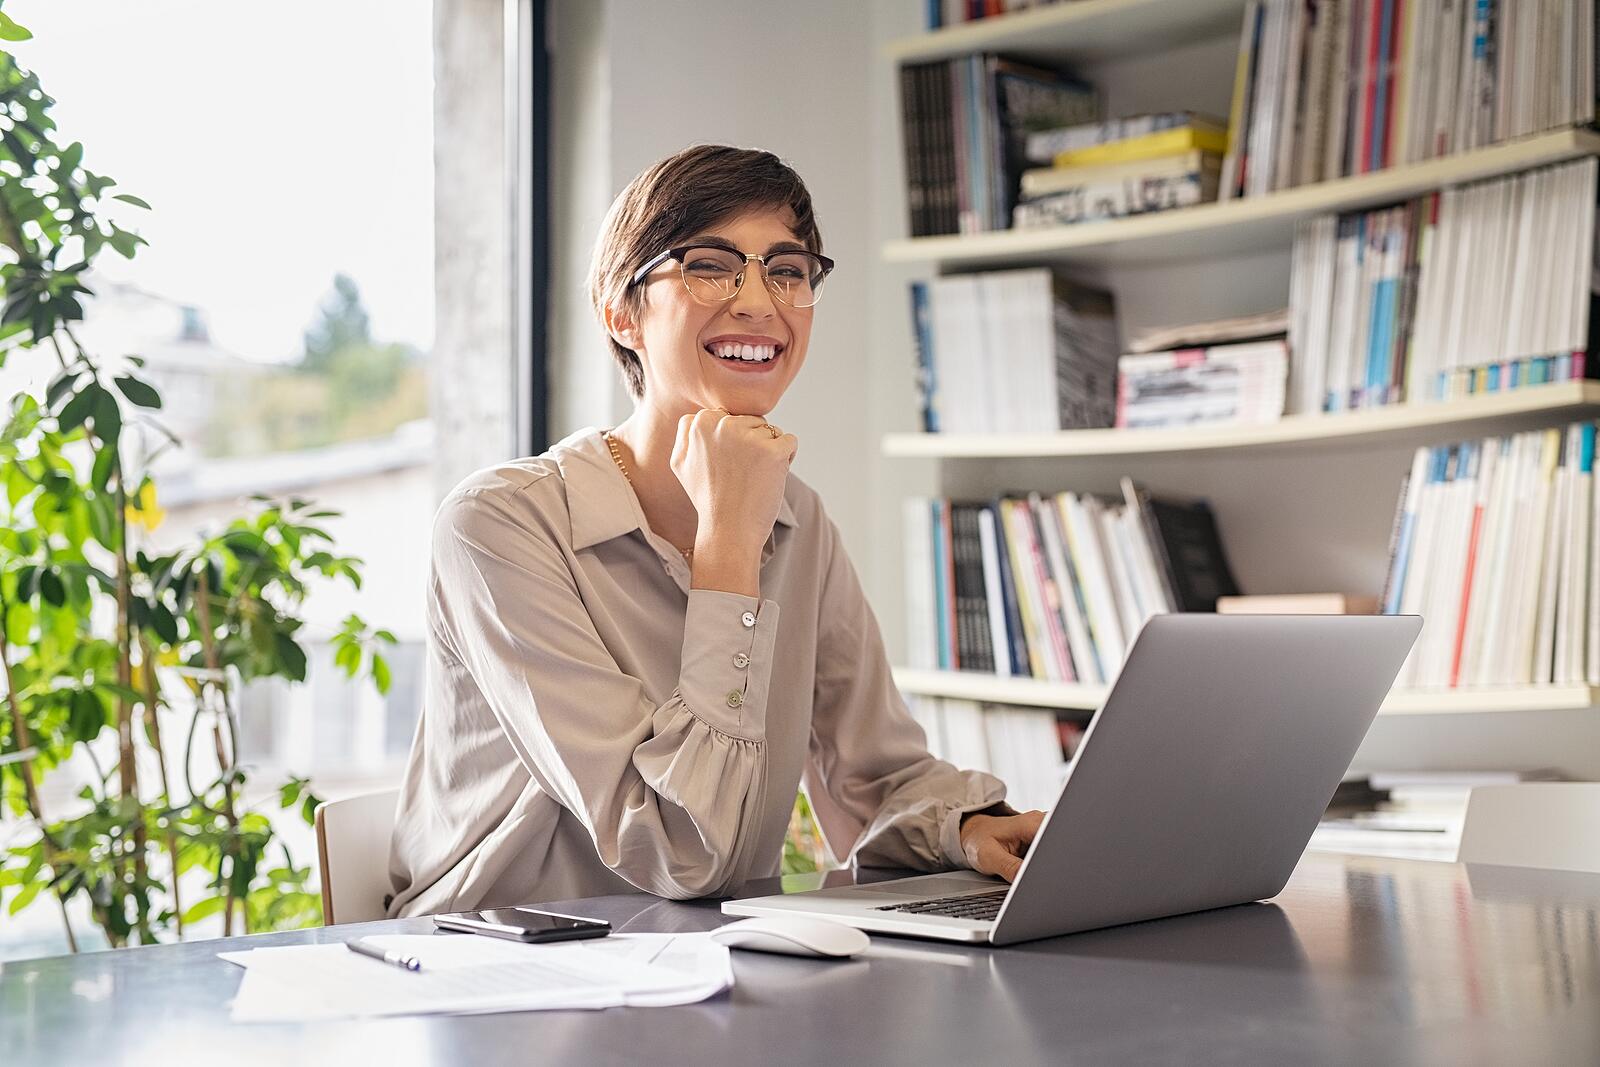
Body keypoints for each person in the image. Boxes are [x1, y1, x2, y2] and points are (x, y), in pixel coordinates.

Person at [386, 144, 1043, 917]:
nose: (760, 302)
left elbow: (873, 778)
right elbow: (678, 851)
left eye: (788, 271)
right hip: (495, 980)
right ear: (620, 310)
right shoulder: (498, 526)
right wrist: (727, 546)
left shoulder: (800, 520)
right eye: (711, 264)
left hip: (697, 962)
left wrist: (967, 829)